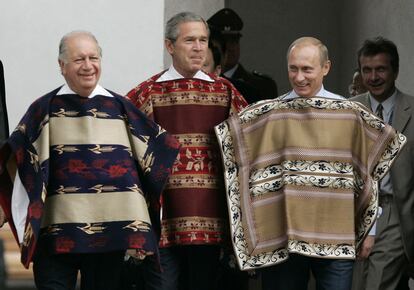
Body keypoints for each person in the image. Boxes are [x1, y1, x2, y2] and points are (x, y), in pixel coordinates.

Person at [214, 36, 406, 290]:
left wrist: (369, 229)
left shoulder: (349, 114)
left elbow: (369, 173)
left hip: (337, 237)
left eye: (307, 69)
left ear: (326, 68)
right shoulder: (271, 113)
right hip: (285, 239)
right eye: (293, 68)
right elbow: (235, 148)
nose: (299, 77)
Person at [0, 31, 180, 290]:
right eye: (78, 59)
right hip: (56, 236)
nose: (88, 66)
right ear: (61, 66)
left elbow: (158, 153)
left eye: (93, 57)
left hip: (110, 236)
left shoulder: (120, 108)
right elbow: (20, 162)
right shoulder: (44, 109)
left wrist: (139, 222)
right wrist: (15, 214)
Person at [126, 12, 248, 290]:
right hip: (161, 222)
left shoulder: (225, 92)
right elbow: (125, 156)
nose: (198, 47)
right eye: (189, 40)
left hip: (211, 223)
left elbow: (248, 150)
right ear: (170, 46)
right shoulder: (147, 93)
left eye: (203, 40)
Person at [351, 36, 414, 290]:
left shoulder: (411, 109)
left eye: (381, 69)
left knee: (377, 282)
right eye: (367, 70)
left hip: (396, 212)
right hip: (356, 215)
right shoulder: (350, 110)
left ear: (395, 71)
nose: (373, 77)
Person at [207, 8, 278, 103]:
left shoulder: (262, 85)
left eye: (233, 41)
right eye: (224, 43)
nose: (230, 48)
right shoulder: (198, 82)